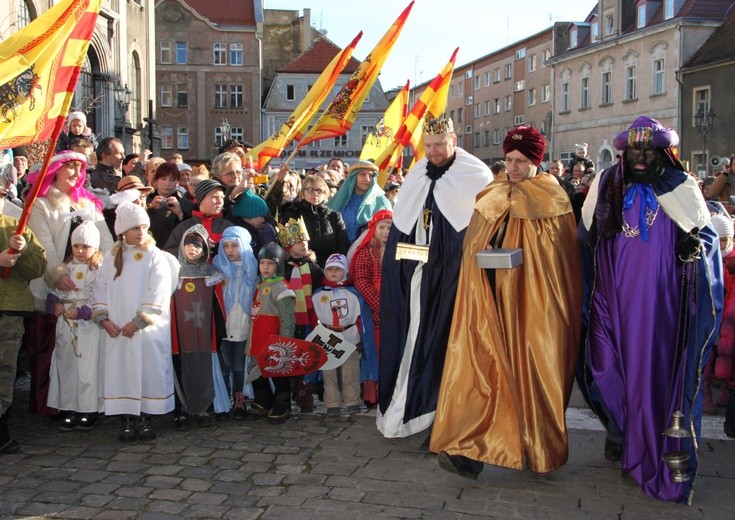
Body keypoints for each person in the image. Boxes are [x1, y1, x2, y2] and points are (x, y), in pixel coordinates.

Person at [577, 116, 722, 503]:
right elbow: (585, 236)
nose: (640, 157)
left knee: (648, 379)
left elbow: (706, 242)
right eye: (634, 150)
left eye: (648, 150)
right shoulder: (608, 183)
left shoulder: (681, 186)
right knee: (605, 367)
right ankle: (622, 432)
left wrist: (693, 251)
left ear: (662, 152)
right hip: (611, 301)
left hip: (659, 309)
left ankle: (643, 449)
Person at [431, 125, 583, 479]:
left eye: (520, 161)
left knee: (532, 374)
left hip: (533, 307)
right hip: (489, 300)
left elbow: (558, 263)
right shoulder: (493, 193)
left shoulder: (553, 199)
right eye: (509, 160)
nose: (512, 168)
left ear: (536, 161)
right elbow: (473, 244)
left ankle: (537, 449)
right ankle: (470, 449)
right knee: (483, 369)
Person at [377, 116, 493, 438]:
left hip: (454, 281)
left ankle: (446, 419)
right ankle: (412, 411)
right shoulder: (416, 174)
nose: (435, 152)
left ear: (454, 140)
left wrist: (442, 262)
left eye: (440, 145)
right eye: (429, 146)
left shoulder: (476, 176)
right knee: (413, 341)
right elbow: (404, 232)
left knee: (446, 345)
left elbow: (477, 234)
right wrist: (408, 268)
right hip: (418, 280)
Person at [26, 151, 114, 417]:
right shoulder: (42, 205)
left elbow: (106, 241)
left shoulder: (89, 205)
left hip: (90, 286)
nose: (77, 175)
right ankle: (57, 404)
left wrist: (110, 272)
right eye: (71, 169)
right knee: (59, 352)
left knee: (89, 354)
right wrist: (57, 273)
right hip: (57, 287)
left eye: (81, 169)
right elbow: (44, 243)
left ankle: (90, 403)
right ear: (57, 171)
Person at [92, 201, 178, 442]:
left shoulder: (154, 256)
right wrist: (104, 319)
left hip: (145, 330)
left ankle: (145, 416)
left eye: (143, 227)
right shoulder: (112, 257)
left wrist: (139, 321)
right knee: (122, 370)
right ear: (122, 231)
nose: (141, 232)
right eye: (135, 228)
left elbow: (158, 291)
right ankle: (126, 416)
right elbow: (100, 287)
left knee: (146, 368)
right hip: (117, 327)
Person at [46, 221, 103, 432]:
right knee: (66, 366)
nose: (79, 251)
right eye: (76, 246)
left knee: (87, 369)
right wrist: (56, 304)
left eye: (85, 247)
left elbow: (101, 297)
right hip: (66, 325)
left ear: (95, 248)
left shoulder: (99, 271)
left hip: (88, 327)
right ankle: (68, 407)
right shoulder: (65, 269)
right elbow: (52, 293)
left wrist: (83, 312)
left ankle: (88, 409)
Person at [0, 195, 46, 454]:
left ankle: (1, 429)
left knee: (5, 370)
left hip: (10, 309)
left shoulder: (15, 226)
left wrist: (25, 249)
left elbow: (38, 267)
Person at [170, 224, 223, 428]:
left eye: (197, 245)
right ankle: (181, 409)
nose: (192, 249)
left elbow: (218, 305)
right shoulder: (174, 272)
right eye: (188, 244)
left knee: (203, 366)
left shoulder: (212, 274)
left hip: (203, 331)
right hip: (180, 332)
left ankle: (202, 408)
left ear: (205, 249)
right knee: (181, 366)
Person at [312, 254, 376, 417]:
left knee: (350, 372)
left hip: (349, 338)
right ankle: (332, 403)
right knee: (329, 373)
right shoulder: (318, 295)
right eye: (330, 269)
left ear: (345, 272)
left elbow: (361, 318)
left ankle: (352, 401)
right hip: (327, 339)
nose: (333, 272)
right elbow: (313, 318)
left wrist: (361, 339)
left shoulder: (353, 294)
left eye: (338, 269)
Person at [278, 216, 323, 413]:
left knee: (305, 353)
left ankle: (305, 390)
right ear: (288, 246)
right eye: (298, 242)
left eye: (305, 241)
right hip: (289, 317)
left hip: (308, 318)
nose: (303, 245)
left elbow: (321, 286)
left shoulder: (312, 267)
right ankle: (287, 392)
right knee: (289, 352)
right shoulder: (284, 268)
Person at [212, 227, 259, 419]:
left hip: (242, 323)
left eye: (235, 246)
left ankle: (239, 397)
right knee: (224, 365)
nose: (230, 251)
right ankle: (223, 401)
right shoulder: (217, 267)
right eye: (226, 246)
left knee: (239, 364)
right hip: (223, 322)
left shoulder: (252, 267)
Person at [248, 242, 296, 424]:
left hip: (275, 342)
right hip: (258, 338)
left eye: (270, 263)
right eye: (262, 263)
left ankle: (282, 404)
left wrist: (284, 344)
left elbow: (287, 321)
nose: (265, 267)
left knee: (278, 373)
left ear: (279, 264)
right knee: (256, 370)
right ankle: (263, 401)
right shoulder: (261, 285)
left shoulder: (283, 290)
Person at [349, 209, 392, 406]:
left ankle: (388, 389)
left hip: (391, 311)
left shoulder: (395, 249)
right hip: (372, 311)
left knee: (388, 351)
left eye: (389, 227)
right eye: (381, 227)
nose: (385, 231)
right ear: (373, 229)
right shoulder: (366, 252)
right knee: (371, 352)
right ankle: (371, 393)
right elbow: (361, 281)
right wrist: (378, 304)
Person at [280, 175, 349, 266]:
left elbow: (343, 244)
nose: (315, 194)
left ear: (325, 194)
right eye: (310, 190)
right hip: (300, 265)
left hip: (329, 266)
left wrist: (334, 263)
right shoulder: (293, 213)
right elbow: (287, 244)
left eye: (319, 190)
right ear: (303, 193)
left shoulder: (334, 216)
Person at [164, 179, 233, 257]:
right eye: (215, 197)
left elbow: (241, 254)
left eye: (222, 198)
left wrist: (220, 249)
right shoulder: (184, 227)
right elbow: (168, 253)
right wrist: (190, 249)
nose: (220, 202)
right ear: (201, 200)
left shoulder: (229, 228)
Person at [327, 161, 391, 243]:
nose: (367, 179)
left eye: (370, 175)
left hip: (373, 251)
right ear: (354, 177)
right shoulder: (342, 199)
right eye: (362, 174)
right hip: (343, 250)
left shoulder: (382, 202)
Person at [146, 162, 195, 248]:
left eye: (172, 180)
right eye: (163, 179)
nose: (167, 184)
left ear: (177, 182)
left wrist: (180, 214)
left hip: (176, 253)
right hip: (149, 251)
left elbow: (193, 234)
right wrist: (149, 208)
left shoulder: (188, 205)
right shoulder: (145, 201)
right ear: (156, 180)